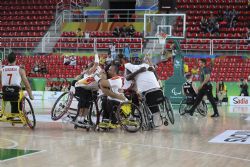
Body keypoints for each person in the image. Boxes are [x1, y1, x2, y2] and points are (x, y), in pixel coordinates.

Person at [94, 64, 125, 128]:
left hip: (120, 102)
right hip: (114, 99)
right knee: (105, 100)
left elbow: (102, 83)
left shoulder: (116, 79)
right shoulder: (112, 79)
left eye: (110, 70)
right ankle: (106, 119)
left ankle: (114, 120)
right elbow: (103, 87)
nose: (108, 71)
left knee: (109, 101)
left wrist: (96, 77)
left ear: (114, 72)